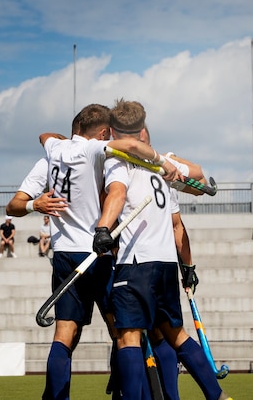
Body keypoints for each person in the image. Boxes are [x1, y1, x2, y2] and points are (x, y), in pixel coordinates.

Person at [38, 103, 180, 400]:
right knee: (124, 331)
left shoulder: (54, 148)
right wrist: (163, 162)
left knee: (64, 333)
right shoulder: (95, 151)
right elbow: (130, 144)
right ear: (103, 134)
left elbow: (44, 134)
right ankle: (132, 394)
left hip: (65, 253)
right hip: (99, 253)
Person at [94, 99, 231, 400]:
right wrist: (172, 164)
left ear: (113, 130)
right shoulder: (161, 165)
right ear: (143, 129)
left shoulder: (118, 161)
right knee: (175, 334)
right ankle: (217, 396)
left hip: (136, 262)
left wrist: (103, 227)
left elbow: (116, 193)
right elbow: (196, 178)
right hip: (166, 263)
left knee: (127, 337)